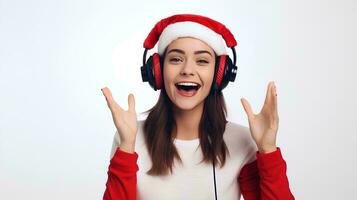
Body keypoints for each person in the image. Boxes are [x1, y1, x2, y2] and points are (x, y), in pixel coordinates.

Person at [101, 14, 295, 200]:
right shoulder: (129, 138)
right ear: (157, 71)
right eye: (176, 59)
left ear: (220, 74)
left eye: (202, 61)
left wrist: (268, 150)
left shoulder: (242, 142)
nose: (187, 70)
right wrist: (126, 147)